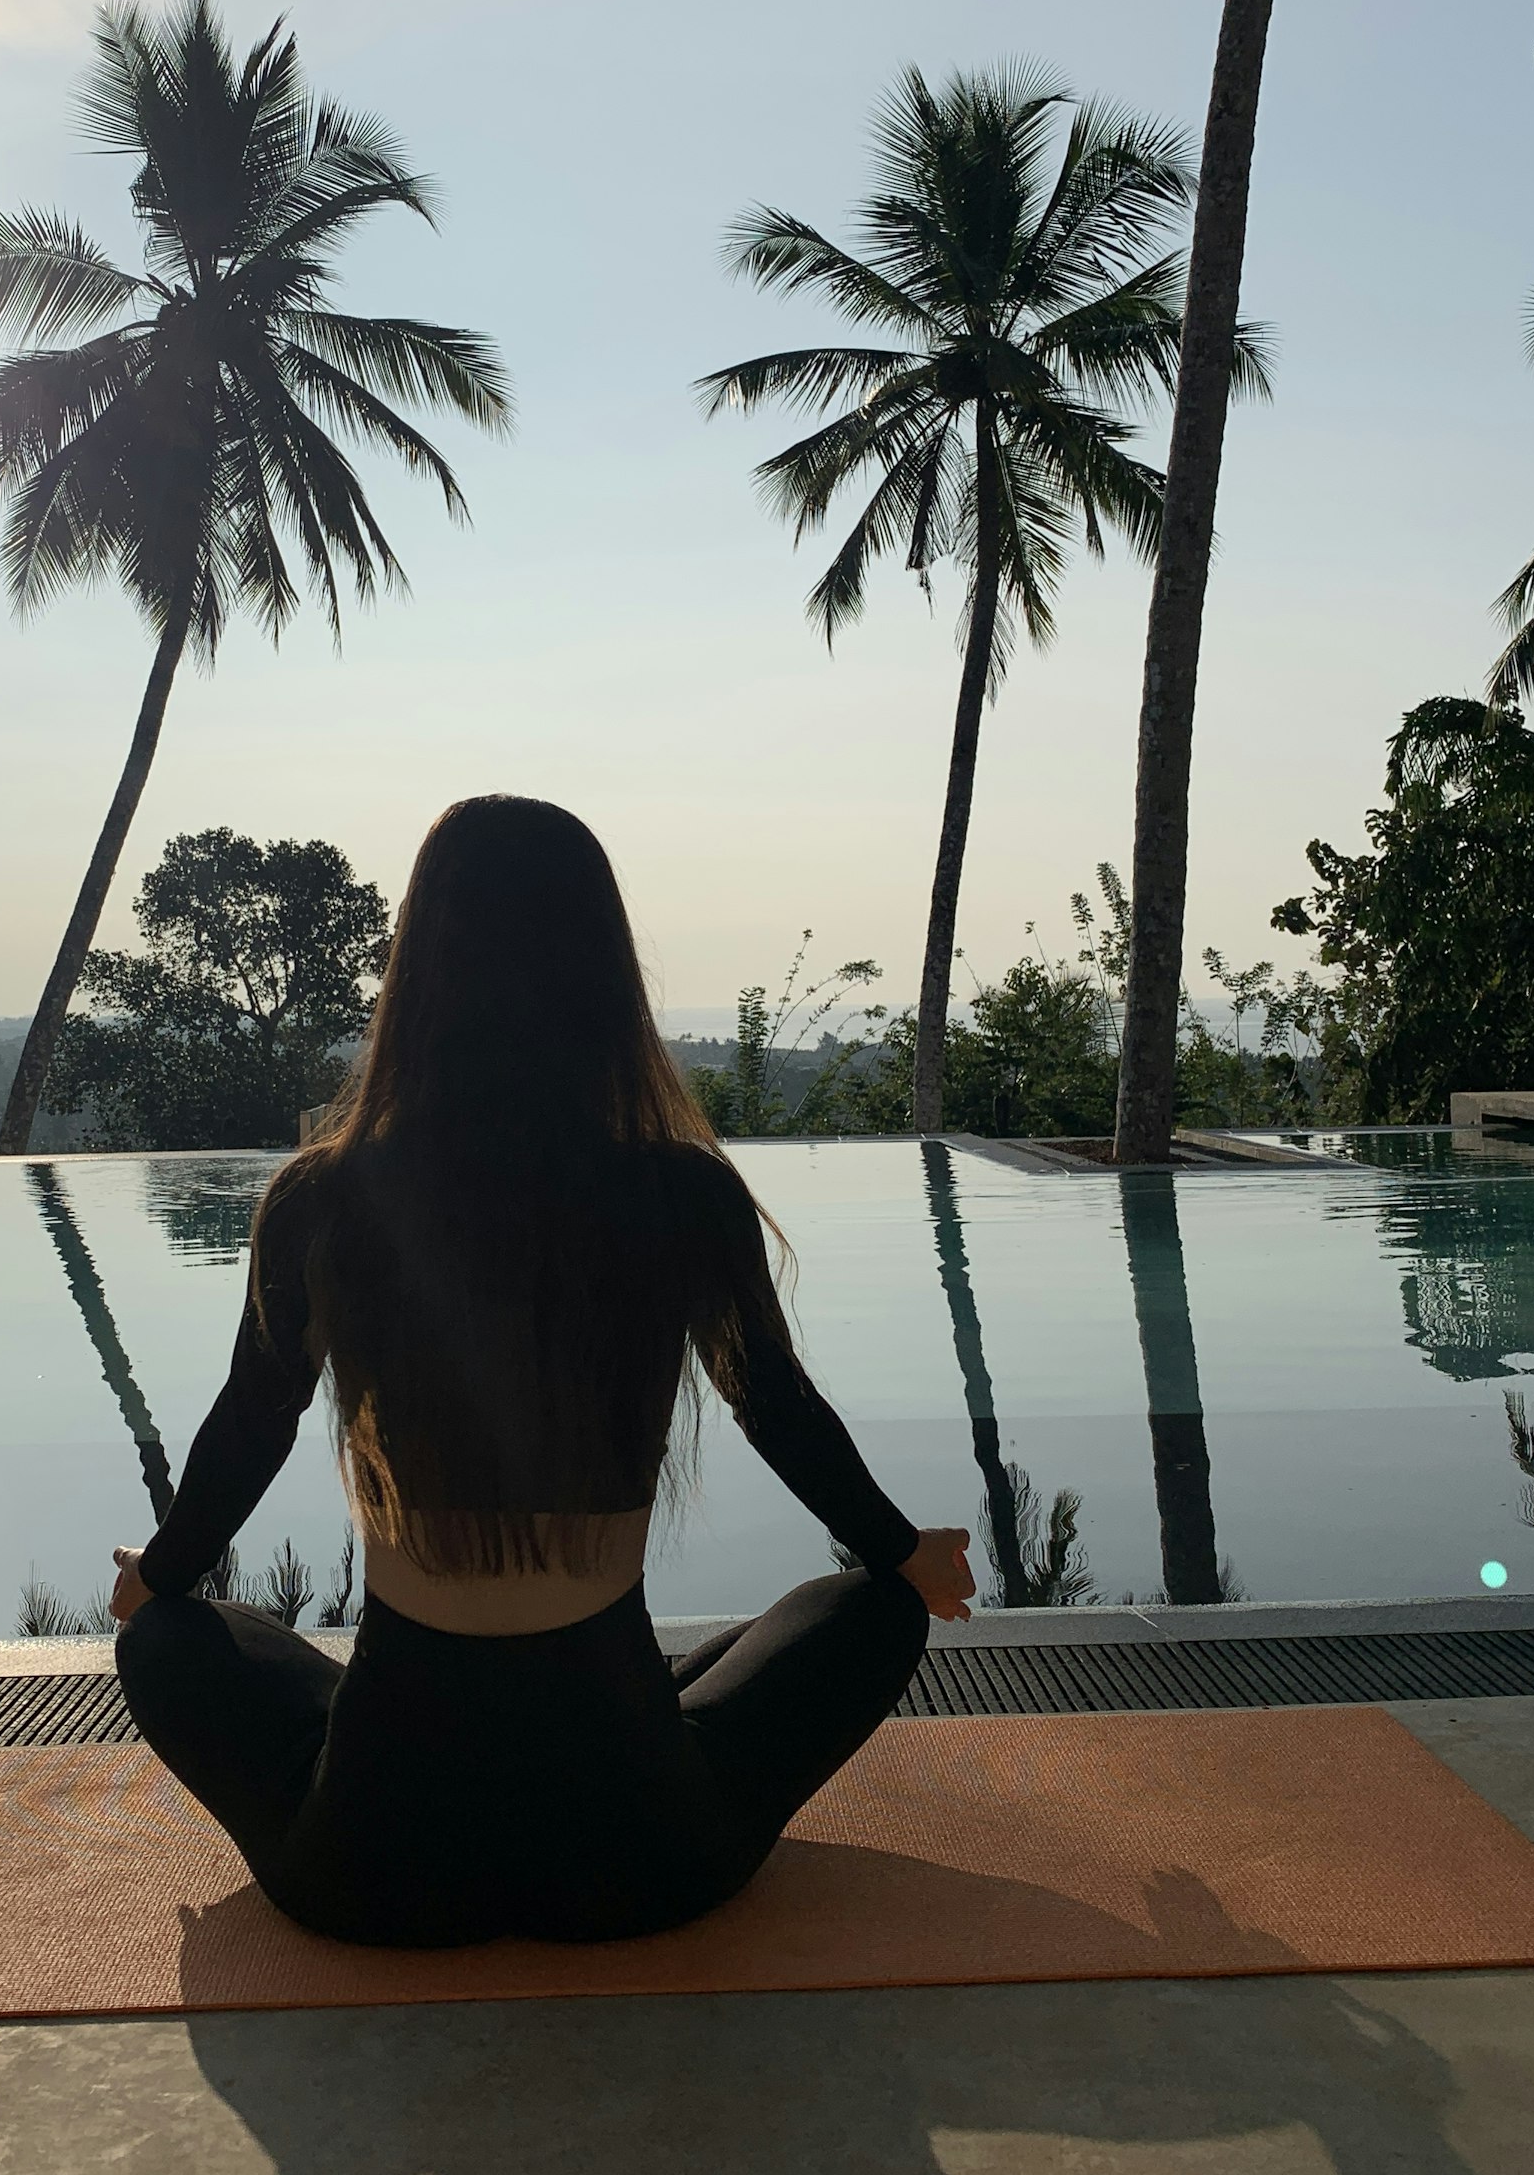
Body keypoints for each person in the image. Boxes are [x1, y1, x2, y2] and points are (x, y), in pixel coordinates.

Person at [111, 794, 974, 1947]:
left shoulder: (322, 1200)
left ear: (417, 966)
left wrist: (155, 1575)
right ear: (604, 971)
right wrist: (903, 1554)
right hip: (642, 1861)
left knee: (168, 1638)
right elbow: (774, 1405)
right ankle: (637, 1701)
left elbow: (254, 1418)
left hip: (371, 1873)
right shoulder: (680, 1195)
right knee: (869, 1612)